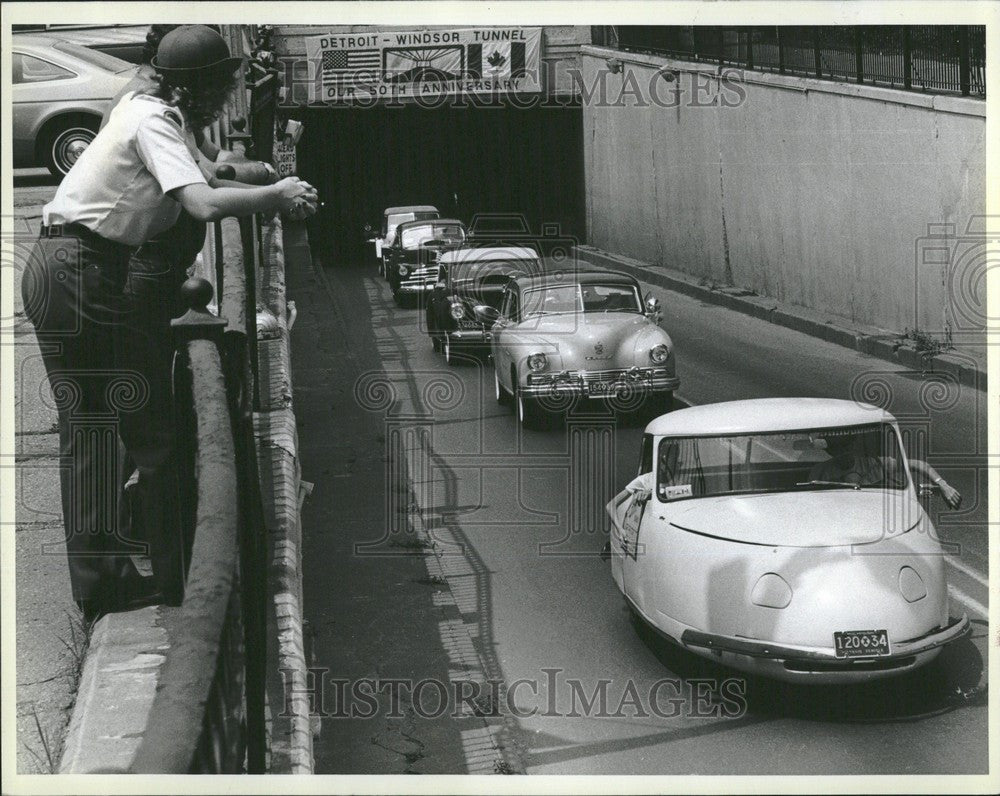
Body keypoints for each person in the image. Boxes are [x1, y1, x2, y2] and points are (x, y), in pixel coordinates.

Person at [21, 25, 318, 621]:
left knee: (90, 433)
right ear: (204, 87)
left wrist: (260, 175)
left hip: (55, 266)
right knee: (150, 431)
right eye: (223, 83)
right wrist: (278, 194)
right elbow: (202, 203)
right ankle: (181, 576)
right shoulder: (154, 121)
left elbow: (209, 174)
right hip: (85, 272)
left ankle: (103, 583)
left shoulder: (141, 106)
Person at [808, 434, 961, 509]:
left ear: (852, 446)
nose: (845, 452)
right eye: (839, 449)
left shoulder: (873, 463)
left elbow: (919, 465)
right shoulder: (821, 473)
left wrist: (942, 485)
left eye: (847, 447)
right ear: (831, 452)